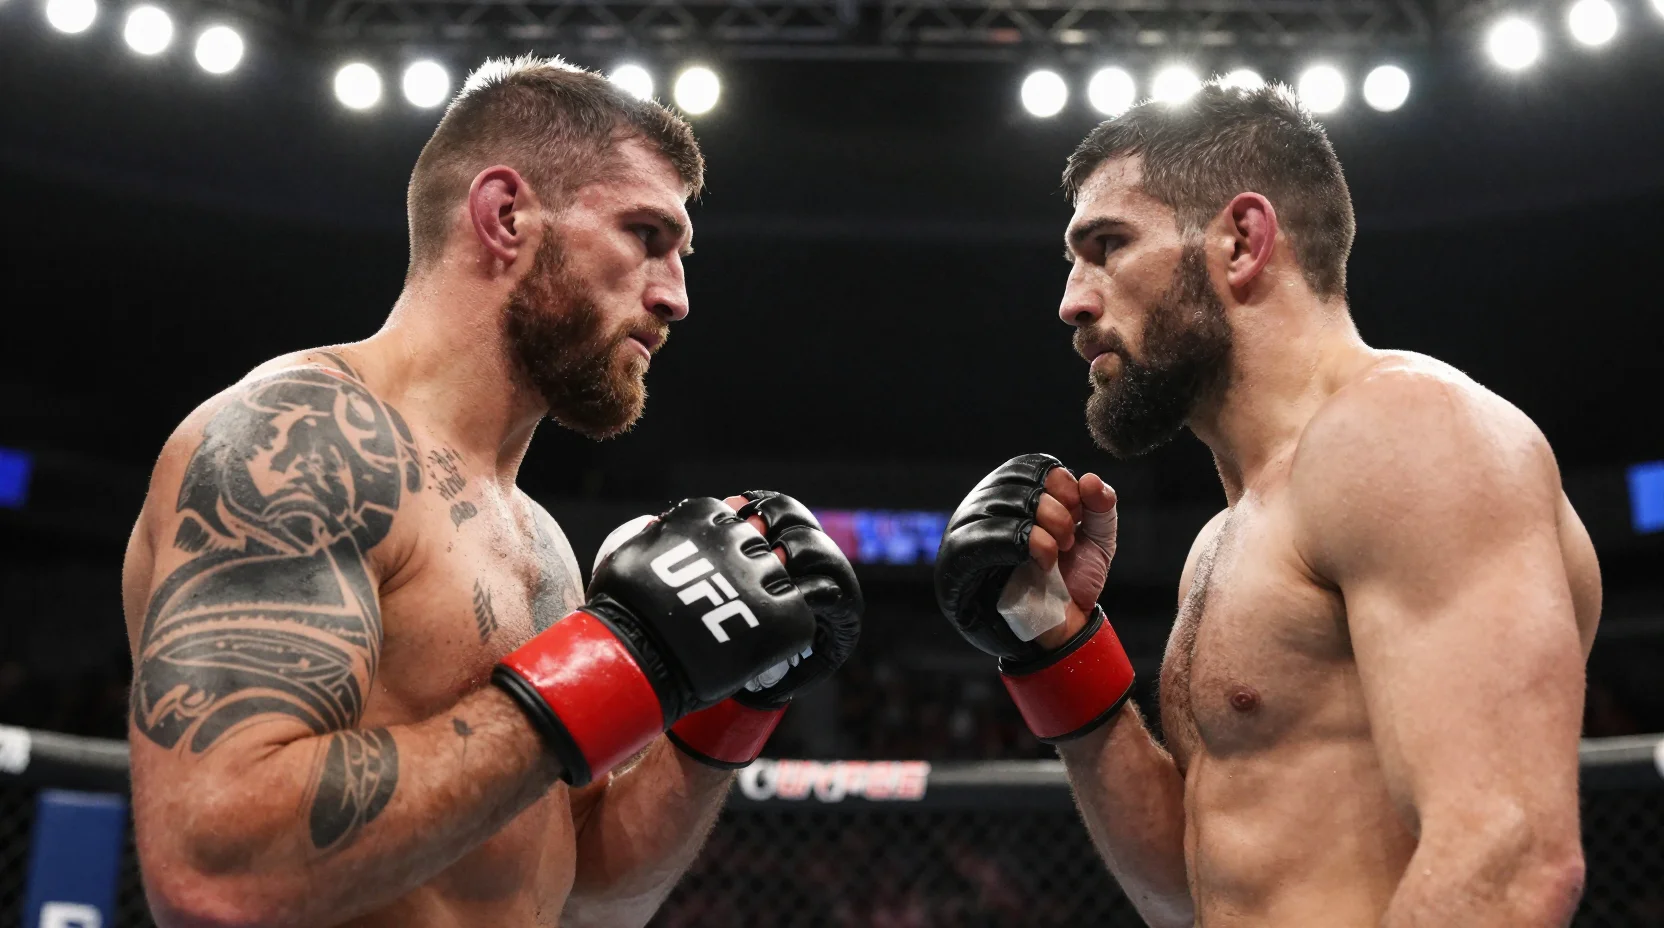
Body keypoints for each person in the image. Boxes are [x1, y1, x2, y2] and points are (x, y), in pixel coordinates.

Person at [120, 56, 861, 928]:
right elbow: (216, 869)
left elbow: (587, 890)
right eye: (645, 236)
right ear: (505, 216)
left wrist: (730, 700)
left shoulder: (538, 538)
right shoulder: (301, 440)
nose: (676, 297)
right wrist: (619, 661)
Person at [934, 82, 1601, 926]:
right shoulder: (1227, 535)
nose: (1073, 300)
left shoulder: (1413, 434)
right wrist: (1053, 646)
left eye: (1108, 245)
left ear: (1243, 240)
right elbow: (1199, 891)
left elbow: (1508, 859)